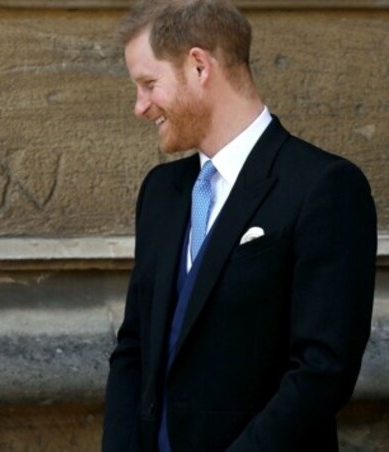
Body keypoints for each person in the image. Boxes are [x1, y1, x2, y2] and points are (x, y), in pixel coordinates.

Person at [102, 1, 377, 451]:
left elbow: (322, 370)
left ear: (198, 66)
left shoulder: (324, 187)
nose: (140, 107)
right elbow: (134, 348)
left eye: (149, 84)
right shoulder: (162, 191)